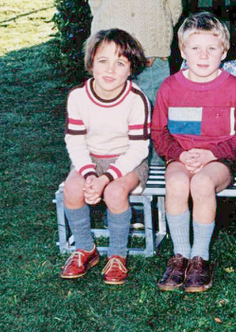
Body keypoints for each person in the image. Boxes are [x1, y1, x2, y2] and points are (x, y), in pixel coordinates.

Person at [151, 13, 236, 293]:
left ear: (224, 51)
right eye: (195, 48)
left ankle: (200, 257)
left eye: (211, 48)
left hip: (219, 159)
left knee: (202, 183)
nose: (203, 56)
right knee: (178, 182)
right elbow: (159, 132)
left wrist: (210, 154)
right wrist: (179, 155)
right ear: (183, 51)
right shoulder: (170, 87)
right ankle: (180, 255)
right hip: (180, 156)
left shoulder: (235, 88)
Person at [59, 29, 152, 285]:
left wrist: (106, 180)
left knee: (114, 193)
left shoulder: (137, 100)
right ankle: (86, 249)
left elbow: (138, 149)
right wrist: (89, 175)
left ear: (131, 69)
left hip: (128, 162)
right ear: (91, 64)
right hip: (90, 158)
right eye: (103, 61)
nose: (110, 70)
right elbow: (75, 141)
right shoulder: (78, 96)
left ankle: (117, 255)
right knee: (72, 189)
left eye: (120, 63)